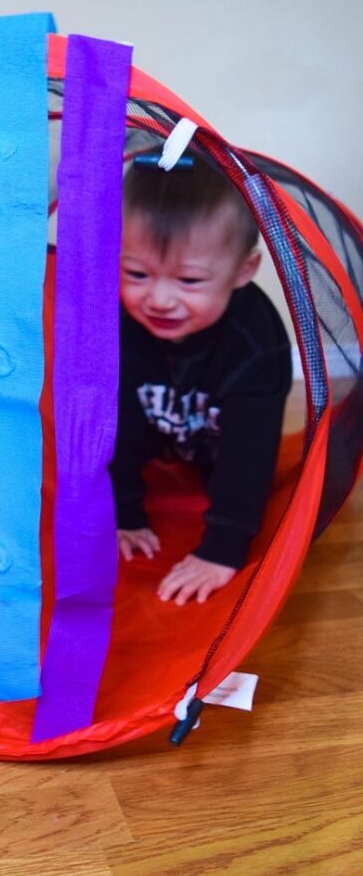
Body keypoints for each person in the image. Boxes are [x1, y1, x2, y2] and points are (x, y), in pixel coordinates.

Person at [110, 153, 292, 606]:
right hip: (157, 427)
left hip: (218, 439)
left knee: (245, 474)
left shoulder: (255, 345)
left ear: (242, 272)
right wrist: (124, 514)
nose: (159, 299)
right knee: (114, 423)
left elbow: (249, 456)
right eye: (136, 273)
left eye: (189, 280)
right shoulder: (116, 323)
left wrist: (221, 551)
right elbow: (116, 427)